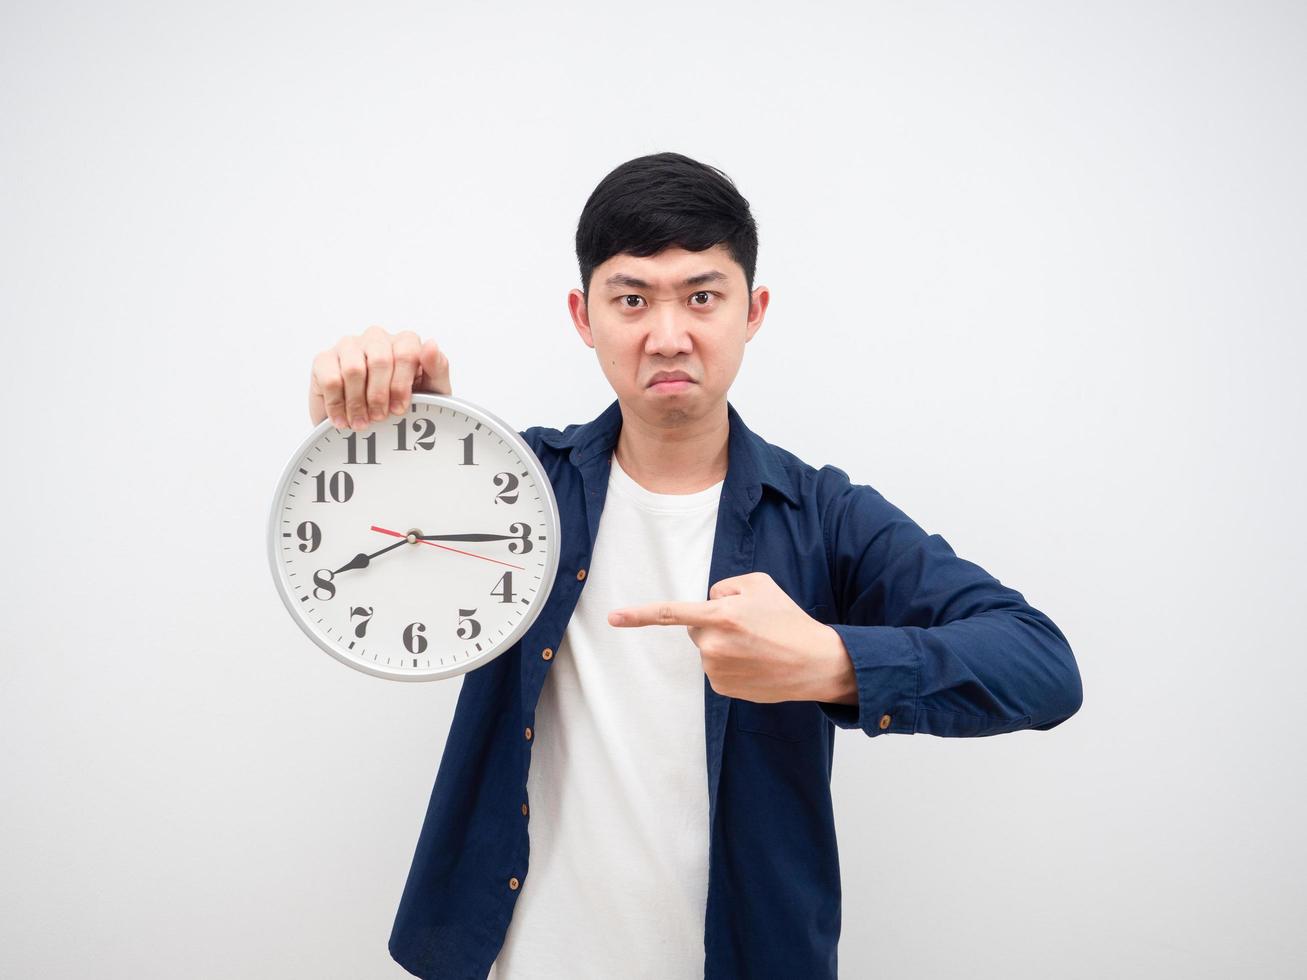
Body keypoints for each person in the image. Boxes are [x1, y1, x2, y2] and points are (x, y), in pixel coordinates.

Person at [306, 151, 1083, 980]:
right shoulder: (518, 487)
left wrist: (832, 662)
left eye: (702, 297)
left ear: (752, 311)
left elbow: (1041, 663)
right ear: (583, 314)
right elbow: (384, 535)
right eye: (631, 299)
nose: (667, 335)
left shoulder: (823, 516)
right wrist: (401, 417)